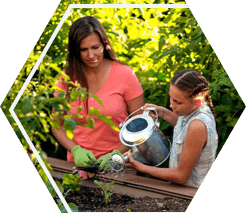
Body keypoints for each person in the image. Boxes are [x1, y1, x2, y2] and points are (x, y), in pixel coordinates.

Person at [52, 16, 144, 179]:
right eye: (83, 49)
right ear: (75, 51)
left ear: (104, 44)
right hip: (79, 167)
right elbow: (57, 125)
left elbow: (140, 126)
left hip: (120, 165)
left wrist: (117, 154)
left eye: (95, 47)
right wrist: (76, 150)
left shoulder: (125, 75)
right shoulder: (67, 78)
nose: (91, 55)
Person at [124, 70, 219, 188]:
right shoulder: (192, 111)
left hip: (189, 193)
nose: (171, 105)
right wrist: (162, 112)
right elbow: (184, 127)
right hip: (180, 190)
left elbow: (180, 176)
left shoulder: (198, 125)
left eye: (177, 102)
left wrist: (141, 167)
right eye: (171, 98)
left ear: (197, 102)